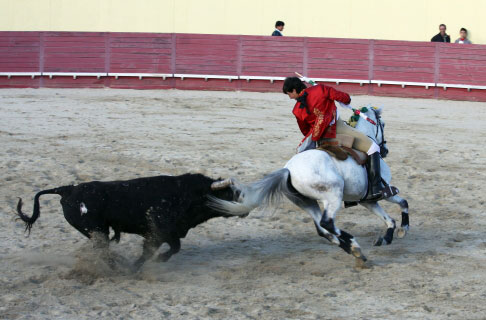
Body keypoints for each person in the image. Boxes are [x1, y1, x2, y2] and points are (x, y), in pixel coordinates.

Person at [282, 77, 385, 200]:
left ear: (294, 90)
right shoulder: (320, 89)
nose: (289, 97)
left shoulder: (296, 110)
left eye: (289, 94)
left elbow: (305, 131)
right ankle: (376, 188)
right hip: (338, 130)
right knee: (373, 147)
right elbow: (345, 98)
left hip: (321, 140)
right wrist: (344, 101)